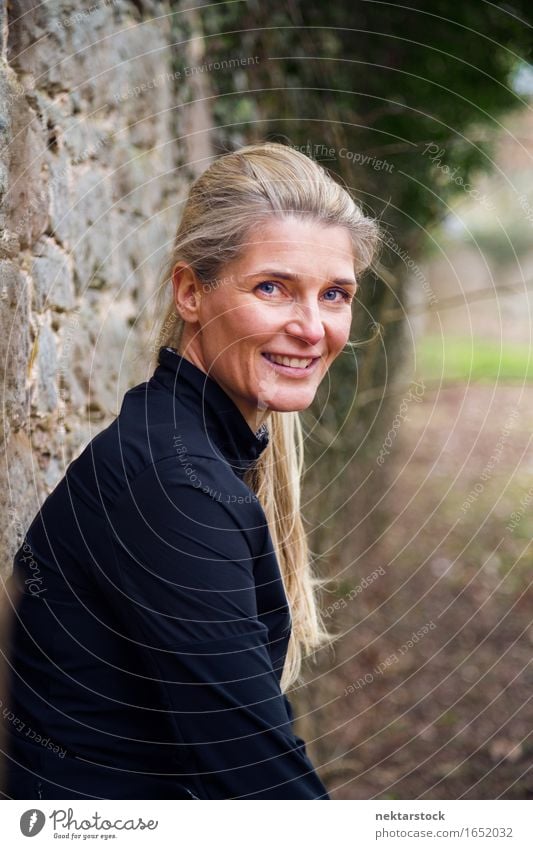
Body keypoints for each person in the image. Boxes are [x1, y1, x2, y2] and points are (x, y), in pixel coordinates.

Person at [2, 142, 379, 800]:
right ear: (190, 292)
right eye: (273, 287)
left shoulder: (183, 448)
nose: (312, 327)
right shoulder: (173, 489)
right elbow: (264, 787)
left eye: (335, 294)